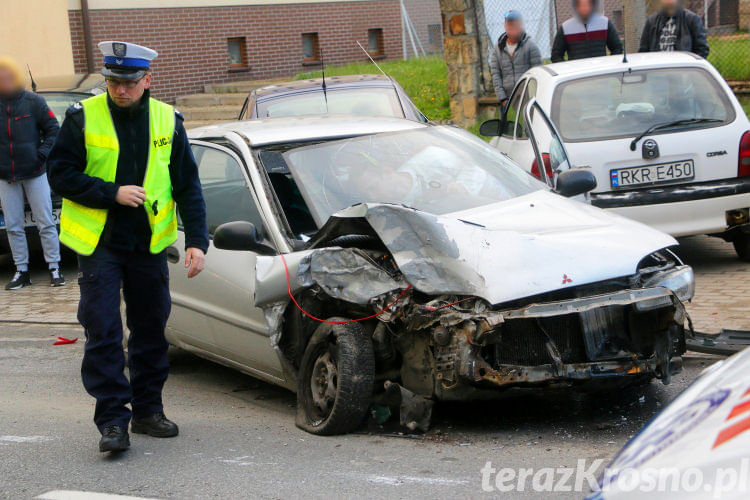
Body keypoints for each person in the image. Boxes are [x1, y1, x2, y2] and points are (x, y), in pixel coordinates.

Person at [47, 42, 209, 453]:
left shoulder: (167, 120)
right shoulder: (83, 117)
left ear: (147, 80)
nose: (120, 90)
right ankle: (113, 421)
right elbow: (59, 174)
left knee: (151, 328)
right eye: (114, 82)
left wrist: (198, 241)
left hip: (148, 242)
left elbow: (187, 185)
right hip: (100, 242)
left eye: (129, 83)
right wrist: (111, 193)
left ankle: (148, 411)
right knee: (103, 329)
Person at [0, 57, 64, 289]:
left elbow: (53, 130)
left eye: (8, 75)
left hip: (36, 172)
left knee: (46, 222)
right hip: (6, 177)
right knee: (13, 226)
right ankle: (22, 271)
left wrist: (41, 155)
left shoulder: (34, 101)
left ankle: (54, 268)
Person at [489, 10, 542, 109]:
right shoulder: (498, 48)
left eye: (515, 25)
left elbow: (538, 73)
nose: (512, 29)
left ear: (521, 26)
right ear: (505, 26)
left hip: (528, 99)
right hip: (507, 101)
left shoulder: (531, 46)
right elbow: (495, 74)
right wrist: (502, 98)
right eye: (509, 25)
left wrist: (534, 97)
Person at [551, 0, 622, 62]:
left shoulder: (605, 23)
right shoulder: (566, 27)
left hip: (601, 72)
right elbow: (556, 56)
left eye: (588, 5)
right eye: (581, 5)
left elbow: (617, 48)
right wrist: (568, 69)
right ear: (576, 7)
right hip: (577, 74)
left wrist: (608, 65)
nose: (585, 8)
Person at [639, 0, 709, 58]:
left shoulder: (692, 20)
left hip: (682, 70)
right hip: (658, 70)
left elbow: (702, 50)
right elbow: (643, 51)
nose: (670, 2)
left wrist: (689, 69)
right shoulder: (651, 21)